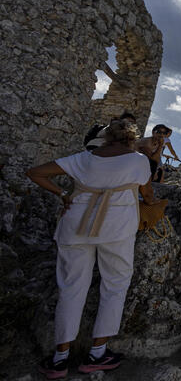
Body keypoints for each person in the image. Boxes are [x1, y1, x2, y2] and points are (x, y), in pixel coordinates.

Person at [26, 119, 161, 378]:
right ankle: (97, 354)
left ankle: (60, 358)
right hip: (117, 229)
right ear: (131, 139)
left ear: (106, 138)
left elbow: (34, 173)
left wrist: (62, 195)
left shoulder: (84, 158)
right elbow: (148, 194)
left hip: (75, 225)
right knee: (115, 286)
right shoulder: (138, 161)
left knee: (70, 288)